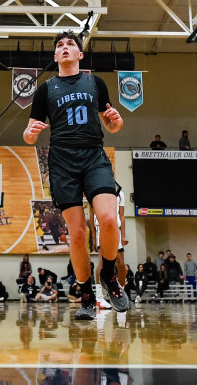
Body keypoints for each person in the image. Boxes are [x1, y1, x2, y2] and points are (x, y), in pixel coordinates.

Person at [23, 29, 128, 320]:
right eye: (60, 45)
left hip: (94, 155)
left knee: (108, 219)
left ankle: (108, 275)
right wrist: (29, 133)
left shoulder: (96, 83)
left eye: (71, 44)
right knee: (78, 234)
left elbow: (111, 125)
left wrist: (116, 123)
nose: (65, 47)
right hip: (62, 162)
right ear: (56, 56)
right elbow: (30, 133)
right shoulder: (45, 89)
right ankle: (85, 296)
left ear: (80, 55)